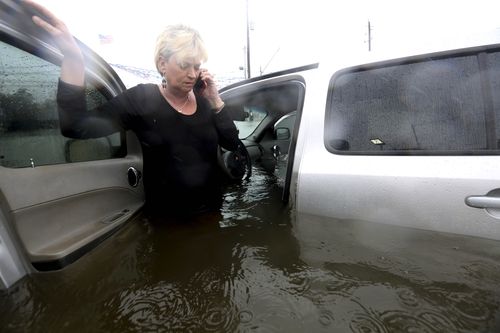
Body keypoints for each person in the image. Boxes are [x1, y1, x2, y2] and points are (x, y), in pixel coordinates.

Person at [26, 1, 244, 218]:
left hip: (212, 217)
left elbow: (231, 143)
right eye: (184, 65)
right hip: (167, 226)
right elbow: (76, 126)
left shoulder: (205, 101)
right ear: (162, 64)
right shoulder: (141, 99)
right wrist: (73, 60)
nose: (192, 74)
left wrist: (216, 100)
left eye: (196, 66)